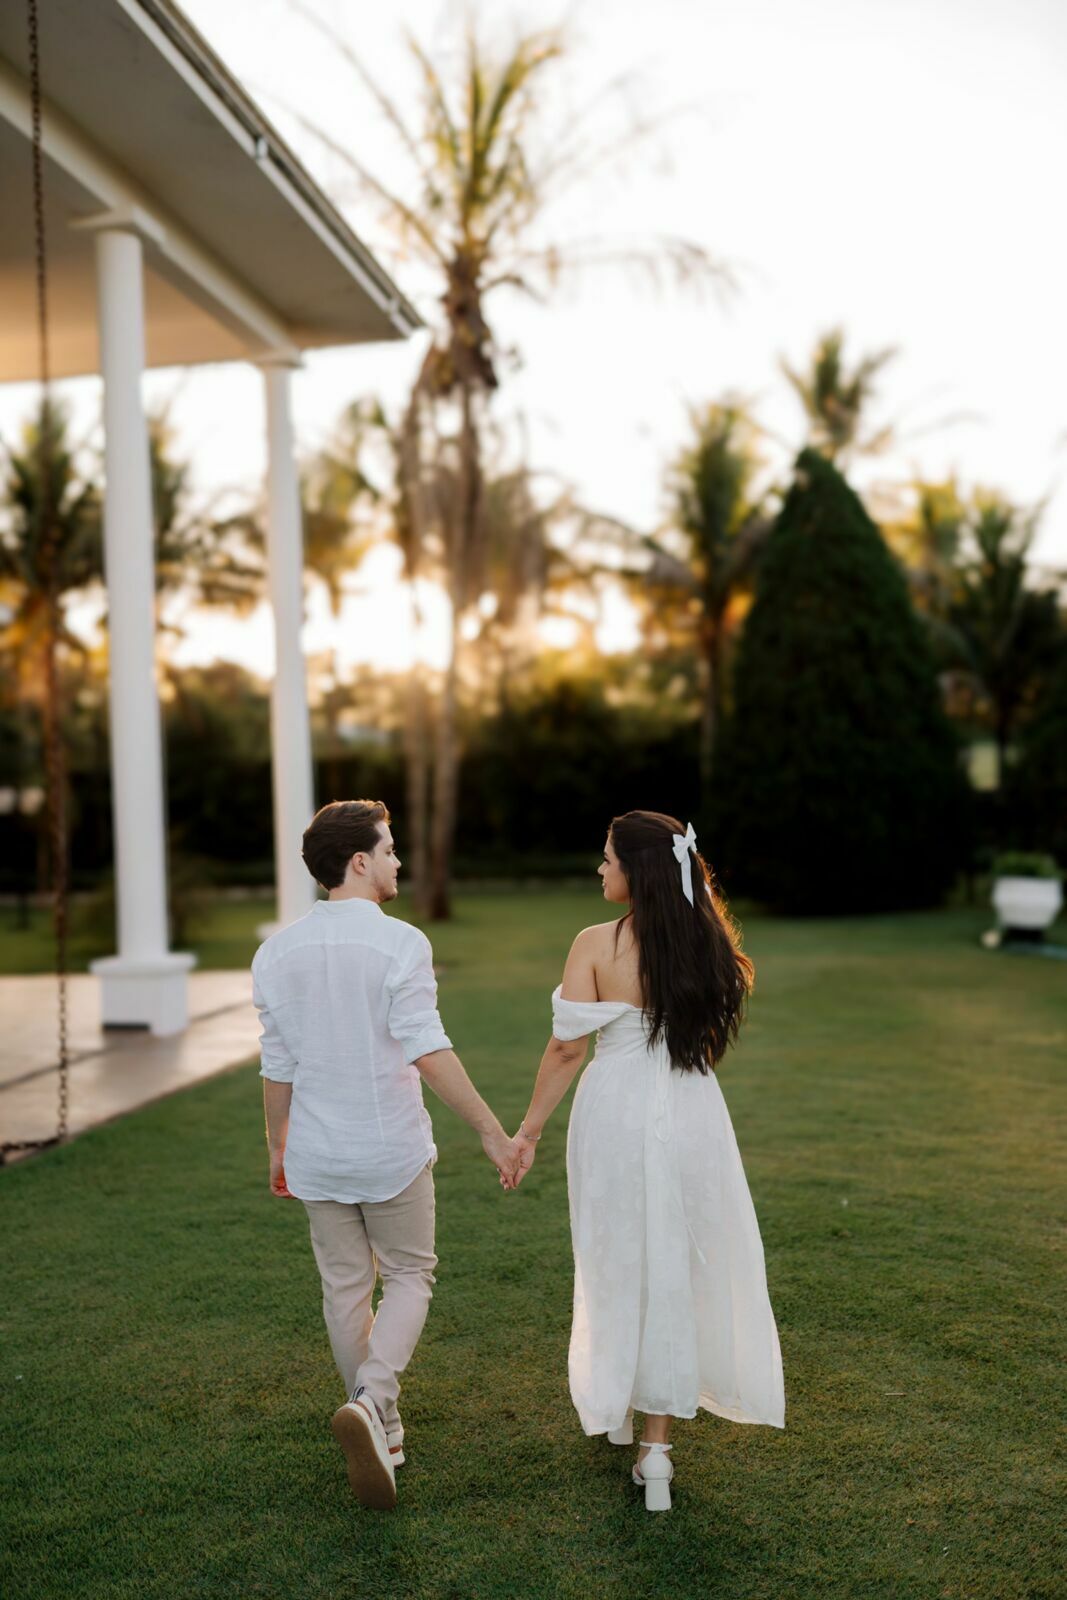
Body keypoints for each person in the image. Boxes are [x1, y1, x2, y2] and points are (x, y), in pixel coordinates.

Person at [510, 810, 785, 1512]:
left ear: (636, 869)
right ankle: (653, 1449)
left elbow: (567, 1047)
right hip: (693, 1112)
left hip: (615, 1112)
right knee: (676, 1259)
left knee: (618, 1257)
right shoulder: (706, 940)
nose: (599, 870)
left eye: (606, 858)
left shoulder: (596, 944)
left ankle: (625, 1405)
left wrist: (528, 1131)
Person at [252, 799, 520, 1511]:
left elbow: (275, 1065)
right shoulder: (401, 944)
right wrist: (494, 1132)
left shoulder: (274, 953)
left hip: (315, 1153)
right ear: (360, 861)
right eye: (390, 850)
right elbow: (427, 1049)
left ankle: (385, 1430)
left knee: (344, 1289)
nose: (399, 862)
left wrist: (278, 1147)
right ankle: (373, 1401)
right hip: (389, 1151)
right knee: (408, 1275)